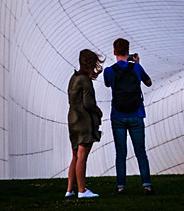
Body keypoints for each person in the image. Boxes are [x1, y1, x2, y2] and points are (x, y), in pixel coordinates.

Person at [103, 37, 155, 195]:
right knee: (140, 151)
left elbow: (107, 84)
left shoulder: (109, 70)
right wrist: (137, 63)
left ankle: (121, 187)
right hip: (136, 114)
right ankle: (147, 186)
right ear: (128, 51)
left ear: (114, 52)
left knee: (121, 152)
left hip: (118, 115)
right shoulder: (136, 68)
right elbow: (149, 83)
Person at [65, 49, 104, 199]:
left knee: (75, 155)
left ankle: (70, 190)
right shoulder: (85, 80)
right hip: (84, 120)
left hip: (72, 119)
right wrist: (97, 111)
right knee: (82, 156)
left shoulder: (73, 78)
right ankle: (82, 190)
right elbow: (88, 103)